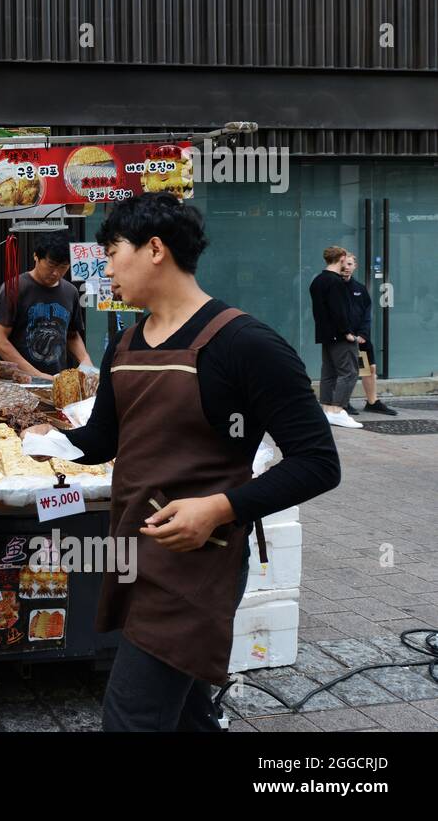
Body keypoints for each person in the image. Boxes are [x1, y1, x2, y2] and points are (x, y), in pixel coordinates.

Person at [24, 193, 340, 732]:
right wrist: (42, 439)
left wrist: (220, 508)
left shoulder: (246, 343)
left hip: (198, 562)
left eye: (111, 251)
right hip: (131, 548)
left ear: (154, 250)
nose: (105, 268)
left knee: (131, 718)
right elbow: (103, 440)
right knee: (188, 709)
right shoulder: (124, 345)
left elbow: (317, 461)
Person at [0, 232, 93, 379]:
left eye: (63, 267)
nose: (56, 273)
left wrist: (85, 360)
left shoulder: (71, 292)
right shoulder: (14, 288)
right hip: (17, 383)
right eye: (51, 265)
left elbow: (72, 335)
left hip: (56, 381)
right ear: (36, 256)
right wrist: (37, 375)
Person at [309, 246, 363, 429]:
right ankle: (337, 410)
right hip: (340, 336)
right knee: (349, 372)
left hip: (325, 335)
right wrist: (347, 332)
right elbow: (339, 311)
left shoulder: (317, 281)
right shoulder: (336, 282)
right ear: (340, 258)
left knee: (329, 372)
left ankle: (326, 409)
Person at [341, 254, 396, 416]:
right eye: (343, 263)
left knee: (369, 369)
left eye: (350, 264)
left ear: (355, 266)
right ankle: (342, 402)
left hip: (362, 337)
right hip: (344, 338)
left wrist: (363, 333)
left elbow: (367, 313)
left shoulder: (360, 288)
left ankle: (372, 402)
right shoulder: (334, 287)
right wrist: (346, 333)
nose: (346, 267)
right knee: (346, 370)